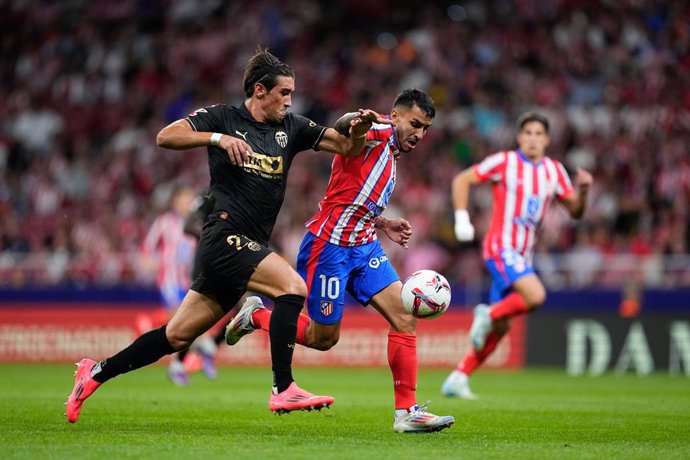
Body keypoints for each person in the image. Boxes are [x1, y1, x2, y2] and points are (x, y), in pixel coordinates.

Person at [65, 47, 387, 423]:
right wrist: (216, 139)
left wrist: (358, 127)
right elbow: (165, 137)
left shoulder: (293, 128)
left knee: (176, 337)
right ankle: (283, 389)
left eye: (292, 94)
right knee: (293, 288)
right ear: (259, 91)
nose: (289, 101)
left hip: (247, 248)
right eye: (284, 93)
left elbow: (346, 144)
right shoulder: (223, 117)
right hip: (224, 237)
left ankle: (94, 372)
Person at [224, 89, 455, 433]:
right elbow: (346, 129)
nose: (419, 135)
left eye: (425, 129)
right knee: (323, 338)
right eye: (415, 124)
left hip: (364, 247)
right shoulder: (376, 130)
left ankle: (407, 412)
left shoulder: (392, 153)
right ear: (395, 116)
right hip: (328, 248)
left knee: (405, 318)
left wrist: (383, 223)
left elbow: (352, 198)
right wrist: (355, 122)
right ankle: (256, 315)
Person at [440, 111, 593, 399]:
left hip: (523, 255)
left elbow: (574, 211)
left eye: (539, 134)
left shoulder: (555, 171)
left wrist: (583, 192)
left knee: (501, 328)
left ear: (547, 139)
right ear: (520, 137)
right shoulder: (505, 162)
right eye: (528, 133)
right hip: (500, 247)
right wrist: (462, 219)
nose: (533, 138)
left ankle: (459, 376)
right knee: (535, 295)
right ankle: (486, 313)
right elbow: (462, 180)